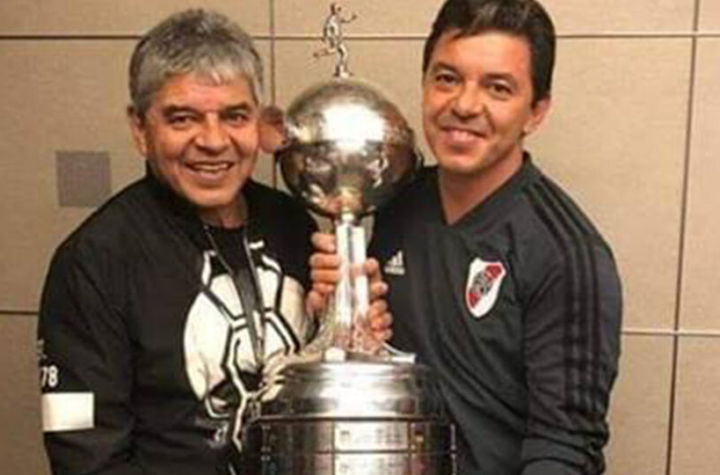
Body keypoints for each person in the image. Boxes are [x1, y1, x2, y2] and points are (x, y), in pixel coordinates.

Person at [37, 9, 390, 475]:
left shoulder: (291, 224)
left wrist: (338, 332)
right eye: (183, 118)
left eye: (234, 116)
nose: (213, 140)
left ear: (258, 123)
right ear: (140, 129)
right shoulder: (94, 262)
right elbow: (85, 458)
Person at [307, 0, 623, 473]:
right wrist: (338, 315)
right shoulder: (396, 201)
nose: (464, 105)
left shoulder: (567, 253)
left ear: (536, 112)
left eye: (498, 88)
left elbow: (565, 448)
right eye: (447, 78)